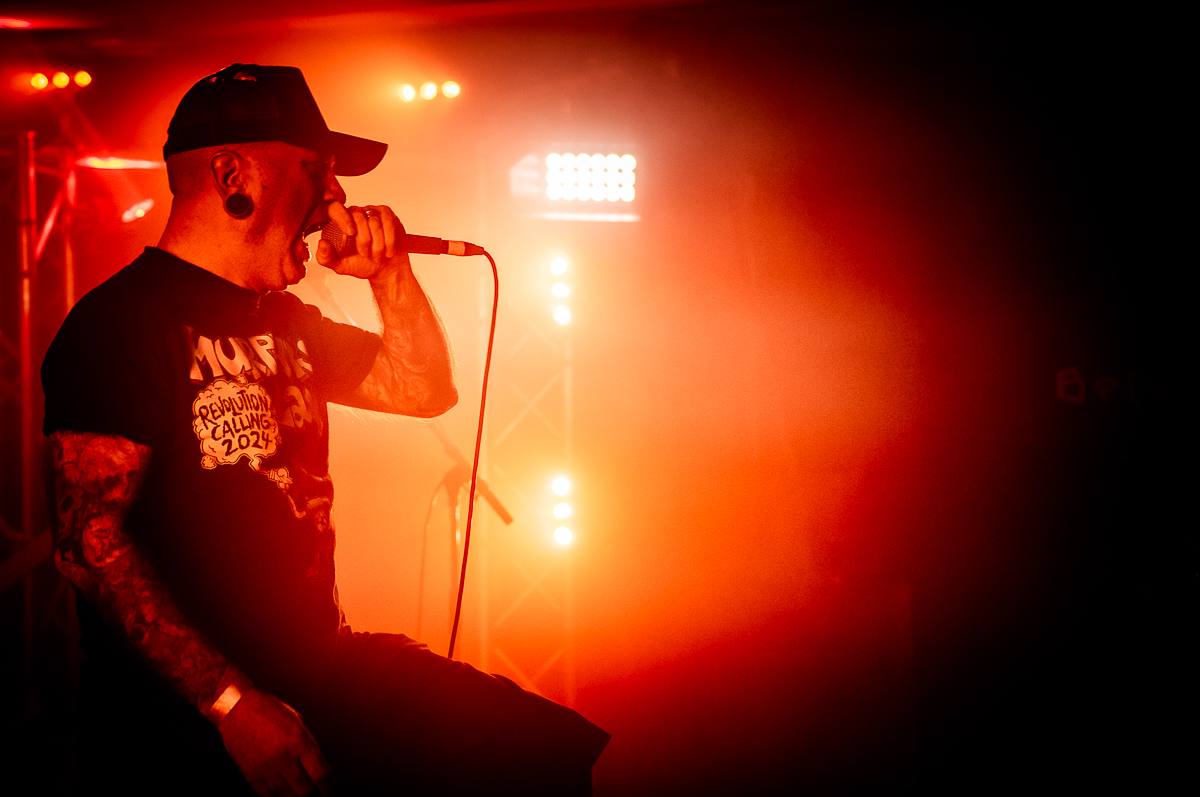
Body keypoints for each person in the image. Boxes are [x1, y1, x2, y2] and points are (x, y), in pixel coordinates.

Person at [41, 63, 608, 796]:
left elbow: (423, 390)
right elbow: (92, 548)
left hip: (322, 669)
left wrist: (390, 275)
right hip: (185, 714)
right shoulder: (120, 326)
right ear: (233, 175)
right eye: (316, 170)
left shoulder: (290, 321)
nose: (335, 197)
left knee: (539, 749)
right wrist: (232, 704)